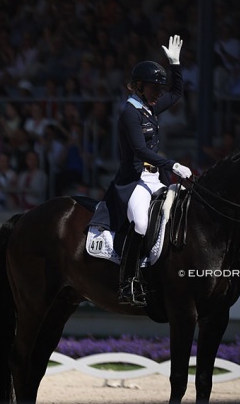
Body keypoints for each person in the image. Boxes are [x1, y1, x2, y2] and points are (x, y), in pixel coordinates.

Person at [91, 35, 192, 306]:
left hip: (155, 178)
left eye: (159, 87)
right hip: (134, 181)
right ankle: (128, 282)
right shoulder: (130, 113)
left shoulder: (149, 109)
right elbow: (139, 150)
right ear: (138, 86)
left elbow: (177, 93)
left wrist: (175, 64)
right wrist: (172, 164)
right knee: (142, 223)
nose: (159, 92)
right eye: (153, 87)